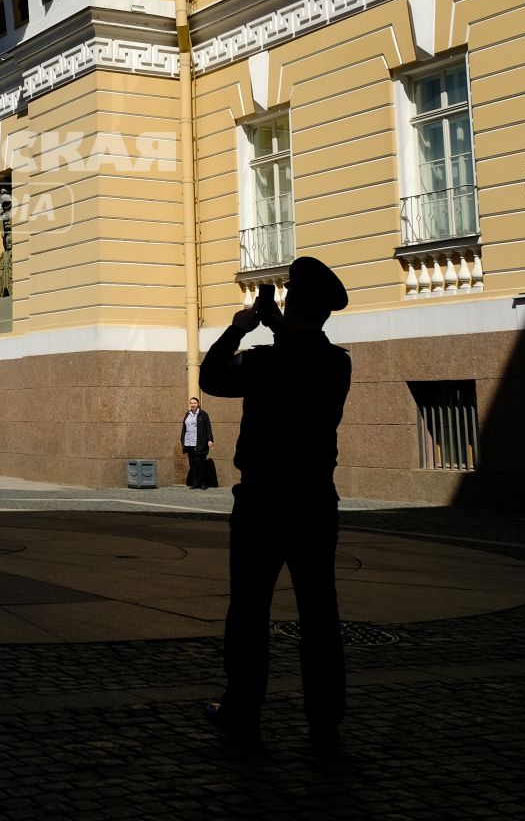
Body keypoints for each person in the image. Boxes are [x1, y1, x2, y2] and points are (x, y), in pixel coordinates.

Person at [198, 257, 352, 750]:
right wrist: (279, 325)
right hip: (313, 501)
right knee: (320, 615)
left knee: (248, 611)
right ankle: (325, 721)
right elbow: (302, 351)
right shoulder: (337, 363)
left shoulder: (265, 362)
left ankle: (243, 708)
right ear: (325, 312)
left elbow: (211, 376)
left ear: (290, 302)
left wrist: (242, 326)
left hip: (262, 501)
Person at [182, 394, 214, 489]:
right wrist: (183, 441)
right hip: (189, 443)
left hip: (199, 443)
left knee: (201, 464)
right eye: (191, 403)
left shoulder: (203, 414)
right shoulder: (187, 414)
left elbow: (208, 428)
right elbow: (184, 429)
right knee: (193, 465)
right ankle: (195, 483)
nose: (193, 405)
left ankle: (203, 483)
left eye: (194, 403)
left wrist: (210, 440)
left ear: (198, 404)